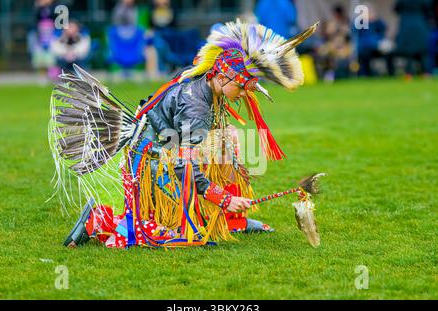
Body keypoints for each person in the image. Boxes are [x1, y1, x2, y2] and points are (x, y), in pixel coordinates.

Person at [49, 20, 319, 248]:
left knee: (229, 140)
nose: (245, 93)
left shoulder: (203, 81)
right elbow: (183, 165)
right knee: (167, 237)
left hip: (162, 147)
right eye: (242, 86)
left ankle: (231, 221)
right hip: (150, 164)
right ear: (223, 77)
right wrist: (224, 198)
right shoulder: (197, 108)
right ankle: (98, 220)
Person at [395, 0, 432, 78]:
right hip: (420, 24)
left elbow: (396, 9)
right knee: (423, 51)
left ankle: (408, 74)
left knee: (409, 52)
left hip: (406, 24)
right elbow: (428, 9)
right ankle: (426, 73)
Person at [355, 3, 394, 77]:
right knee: (363, 54)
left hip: (378, 46)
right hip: (366, 47)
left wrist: (375, 19)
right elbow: (356, 32)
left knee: (389, 52)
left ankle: (391, 73)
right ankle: (365, 75)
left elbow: (384, 28)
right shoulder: (361, 23)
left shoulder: (377, 22)